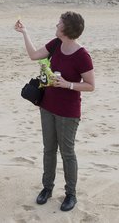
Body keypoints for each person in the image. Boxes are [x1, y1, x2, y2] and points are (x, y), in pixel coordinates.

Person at [14, 11, 95, 211]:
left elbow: (90, 85)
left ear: (66, 28)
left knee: (67, 153)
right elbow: (34, 55)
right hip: (47, 106)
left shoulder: (82, 55)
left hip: (68, 111)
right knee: (48, 149)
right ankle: (47, 188)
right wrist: (24, 32)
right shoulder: (56, 44)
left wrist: (68, 84)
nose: (56, 24)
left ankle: (71, 194)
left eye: (59, 23)